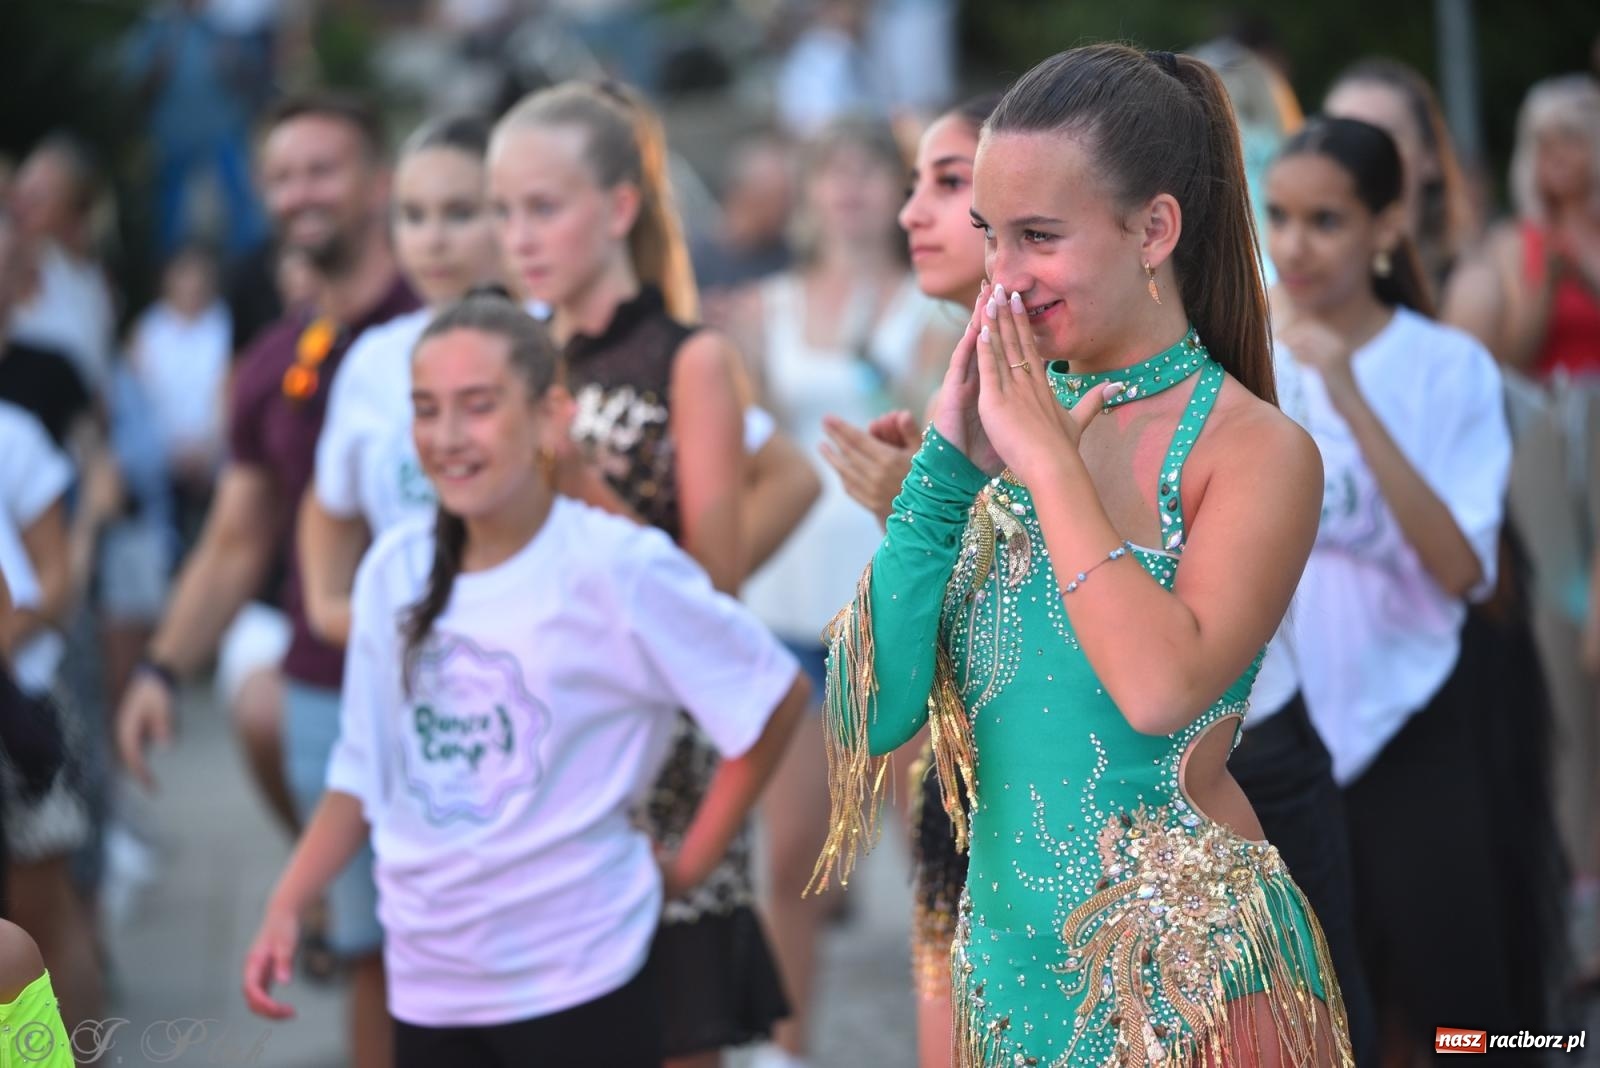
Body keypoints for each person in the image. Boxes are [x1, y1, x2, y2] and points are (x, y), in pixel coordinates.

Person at [811, 45, 1351, 1066]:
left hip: (1192, 982)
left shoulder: (1254, 451)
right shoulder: (997, 433)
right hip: (1006, 983)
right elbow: (865, 718)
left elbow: (1159, 692)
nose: (1001, 275)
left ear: (1153, 229)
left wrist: (1049, 473)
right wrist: (937, 482)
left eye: (1037, 238)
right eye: (988, 235)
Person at [242, 294, 808, 1067]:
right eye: (426, 410)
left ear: (550, 417)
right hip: (429, 983)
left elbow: (771, 696)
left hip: (583, 977)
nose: (447, 438)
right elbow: (363, 769)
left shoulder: (616, 565)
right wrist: (287, 900)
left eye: (477, 407)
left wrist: (688, 867)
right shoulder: (392, 570)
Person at [489, 80, 791, 1067]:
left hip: (657, 765)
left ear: (618, 208)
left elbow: (710, 595)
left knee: (666, 1034)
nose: (518, 234)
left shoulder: (687, 360)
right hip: (538, 735)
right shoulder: (511, 356)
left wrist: (574, 474)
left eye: (543, 206)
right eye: (504, 211)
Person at [115, 92, 413, 1068]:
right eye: (282, 175)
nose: (300, 193)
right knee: (376, 956)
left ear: (376, 184)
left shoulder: (439, 323)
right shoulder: (270, 361)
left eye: (322, 169)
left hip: (462, 681)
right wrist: (159, 669)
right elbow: (236, 538)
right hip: (330, 681)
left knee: (443, 956)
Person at [1265, 116, 1526, 1062]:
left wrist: (1351, 396)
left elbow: (1465, 570)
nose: (1295, 245)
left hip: (1415, 716)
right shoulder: (1246, 359)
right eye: (1280, 217)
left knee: (1471, 1018)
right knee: (1319, 1010)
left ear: (1385, 227)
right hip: (1284, 734)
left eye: (1326, 221)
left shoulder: (1444, 365)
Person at [731, 115, 947, 1065]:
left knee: (931, 864)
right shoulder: (757, 311)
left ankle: (956, 1039)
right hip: (785, 616)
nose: (853, 190)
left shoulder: (932, 310)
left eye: (872, 173)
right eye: (835, 173)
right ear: (809, 190)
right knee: (791, 858)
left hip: (888, 615)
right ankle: (783, 1050)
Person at [818, 92, 992, 1068]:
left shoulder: (1071, 383)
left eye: (948, 182)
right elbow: (872, 708)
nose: (907, 212)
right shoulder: (961, 377)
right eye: (913, 182)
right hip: (959, 777)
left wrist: (910, 507)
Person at [1324, 58, 1480, 298]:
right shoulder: (1290, 291)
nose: (1359, 152)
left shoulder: (1469, 289)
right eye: (1341, 134)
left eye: (1384, 136)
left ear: (1430, 156)